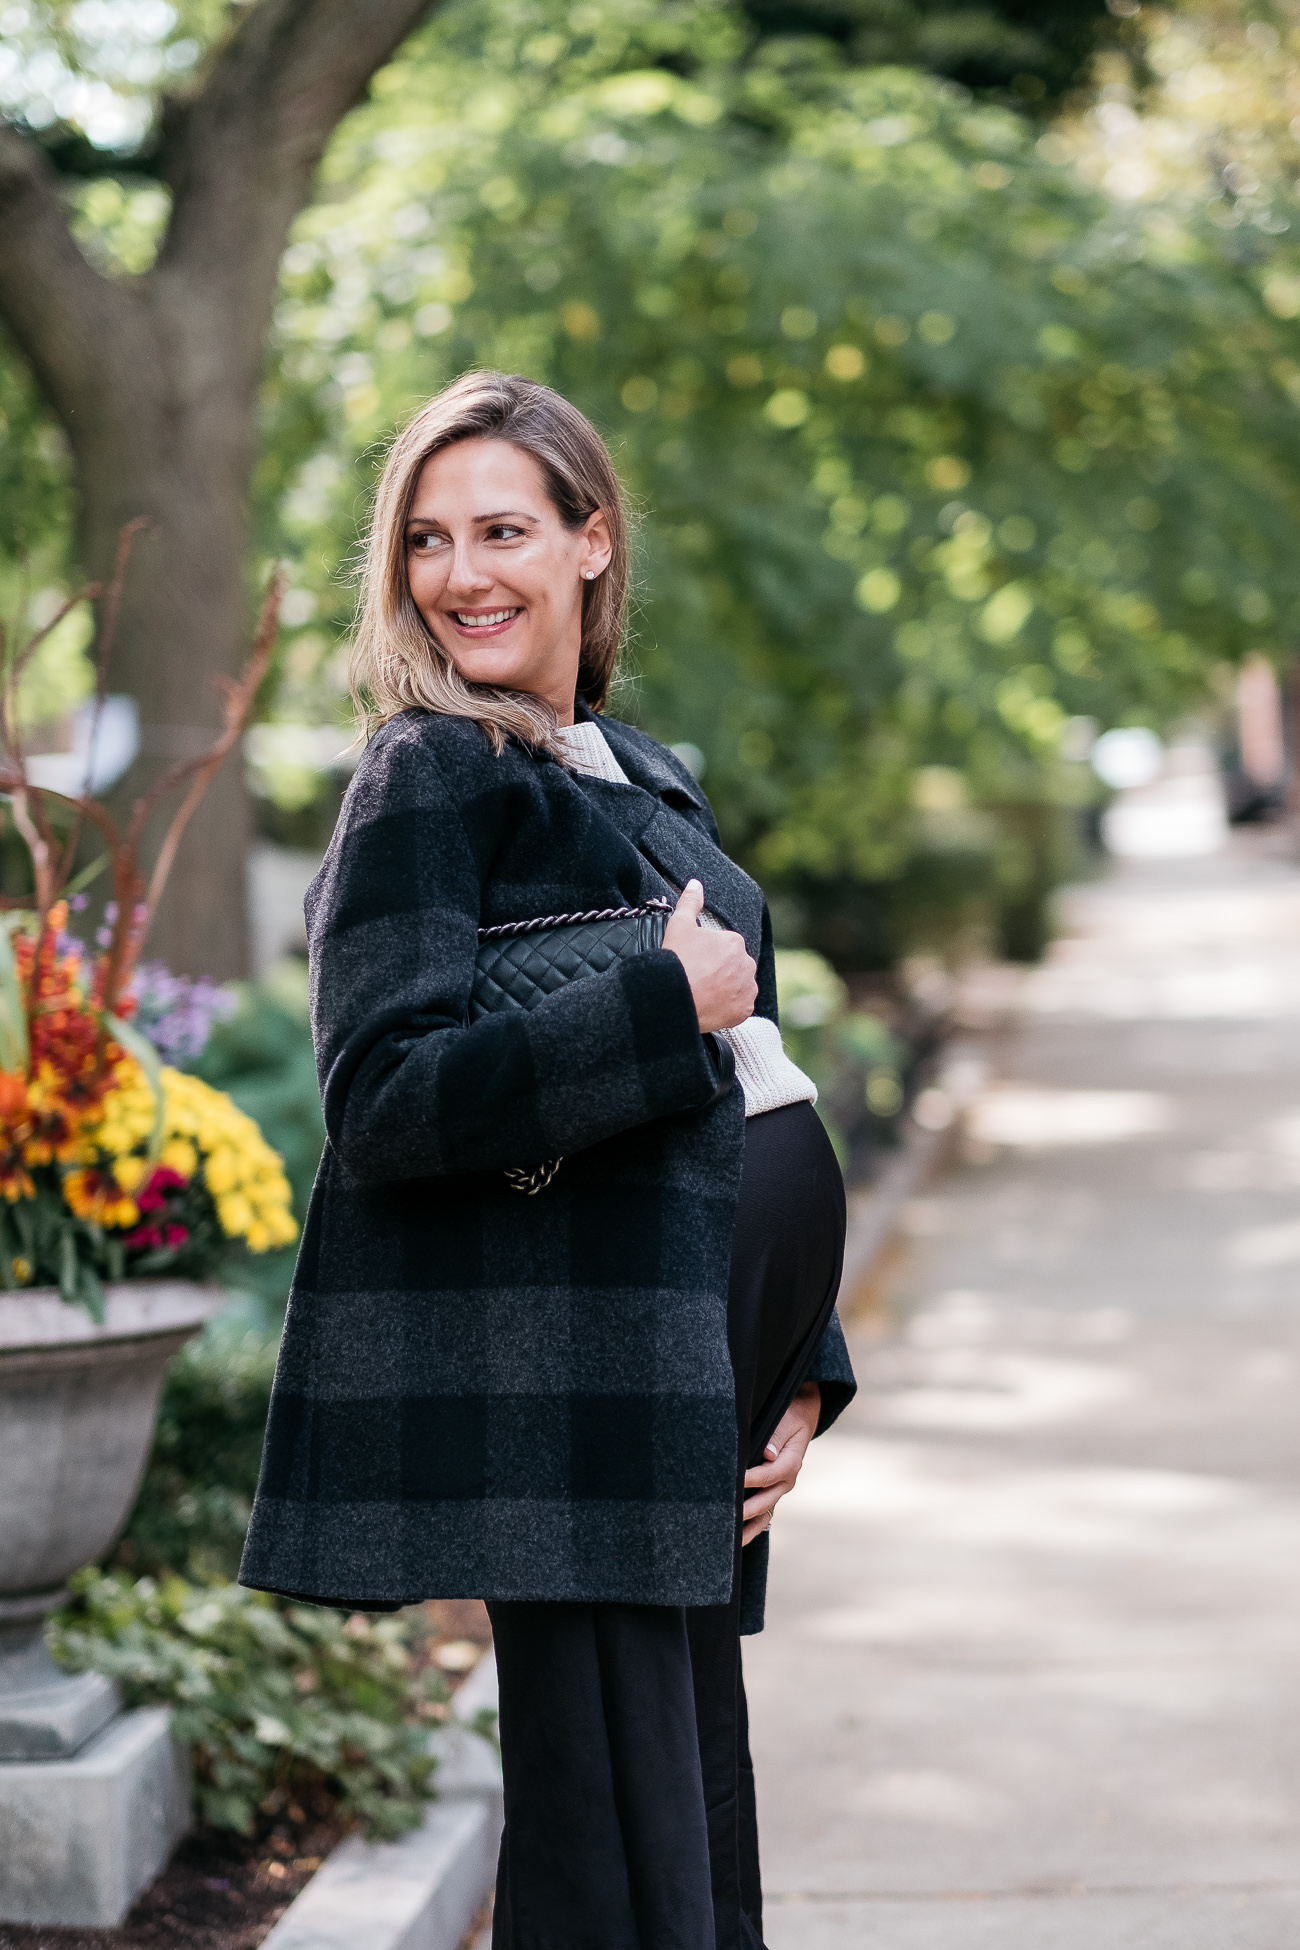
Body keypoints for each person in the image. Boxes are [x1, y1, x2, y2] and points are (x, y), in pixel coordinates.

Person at [241, 370, 856, 1949]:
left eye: (503, 528)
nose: (461, 574)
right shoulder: (429, 773)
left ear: (592, 542)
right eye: (429, 541)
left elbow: (753, 1078)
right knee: (611, 1850)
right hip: (566, 1390)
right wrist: (662, 998)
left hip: (689, 1381)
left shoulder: (643, 779)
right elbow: (380, 1093)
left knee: (693, 1826)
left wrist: (802, 1372)